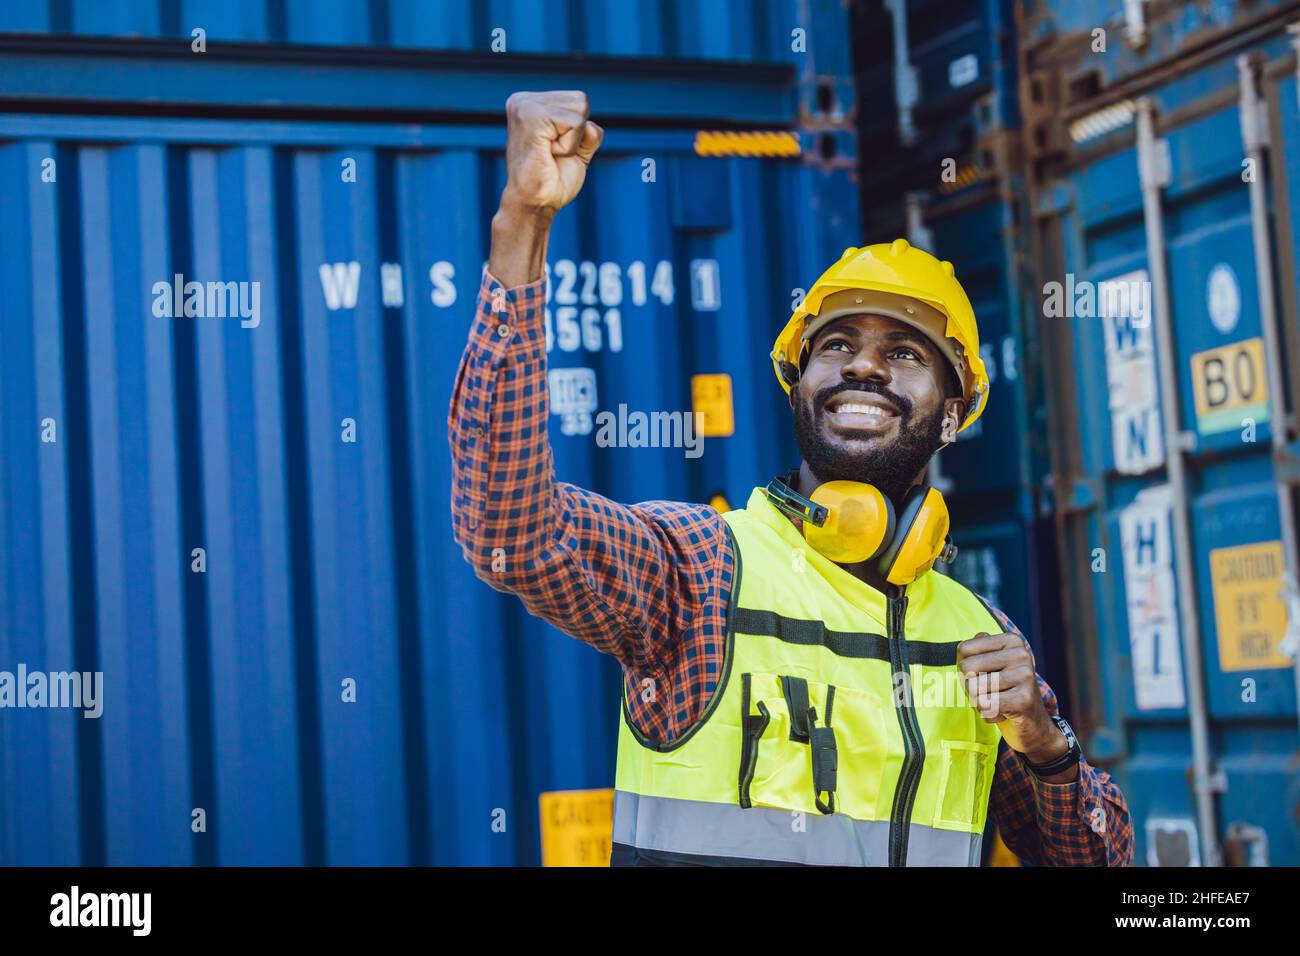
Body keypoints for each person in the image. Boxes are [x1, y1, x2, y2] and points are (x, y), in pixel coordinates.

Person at [449, 90, 1133, 866]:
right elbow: (510, 534)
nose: (865, 365)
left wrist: (1045, 746)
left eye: (906, 354)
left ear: (954, 414)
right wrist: (523, 224)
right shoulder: (701, 573)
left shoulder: (978, 637)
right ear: (798, 384)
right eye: (837, 344)